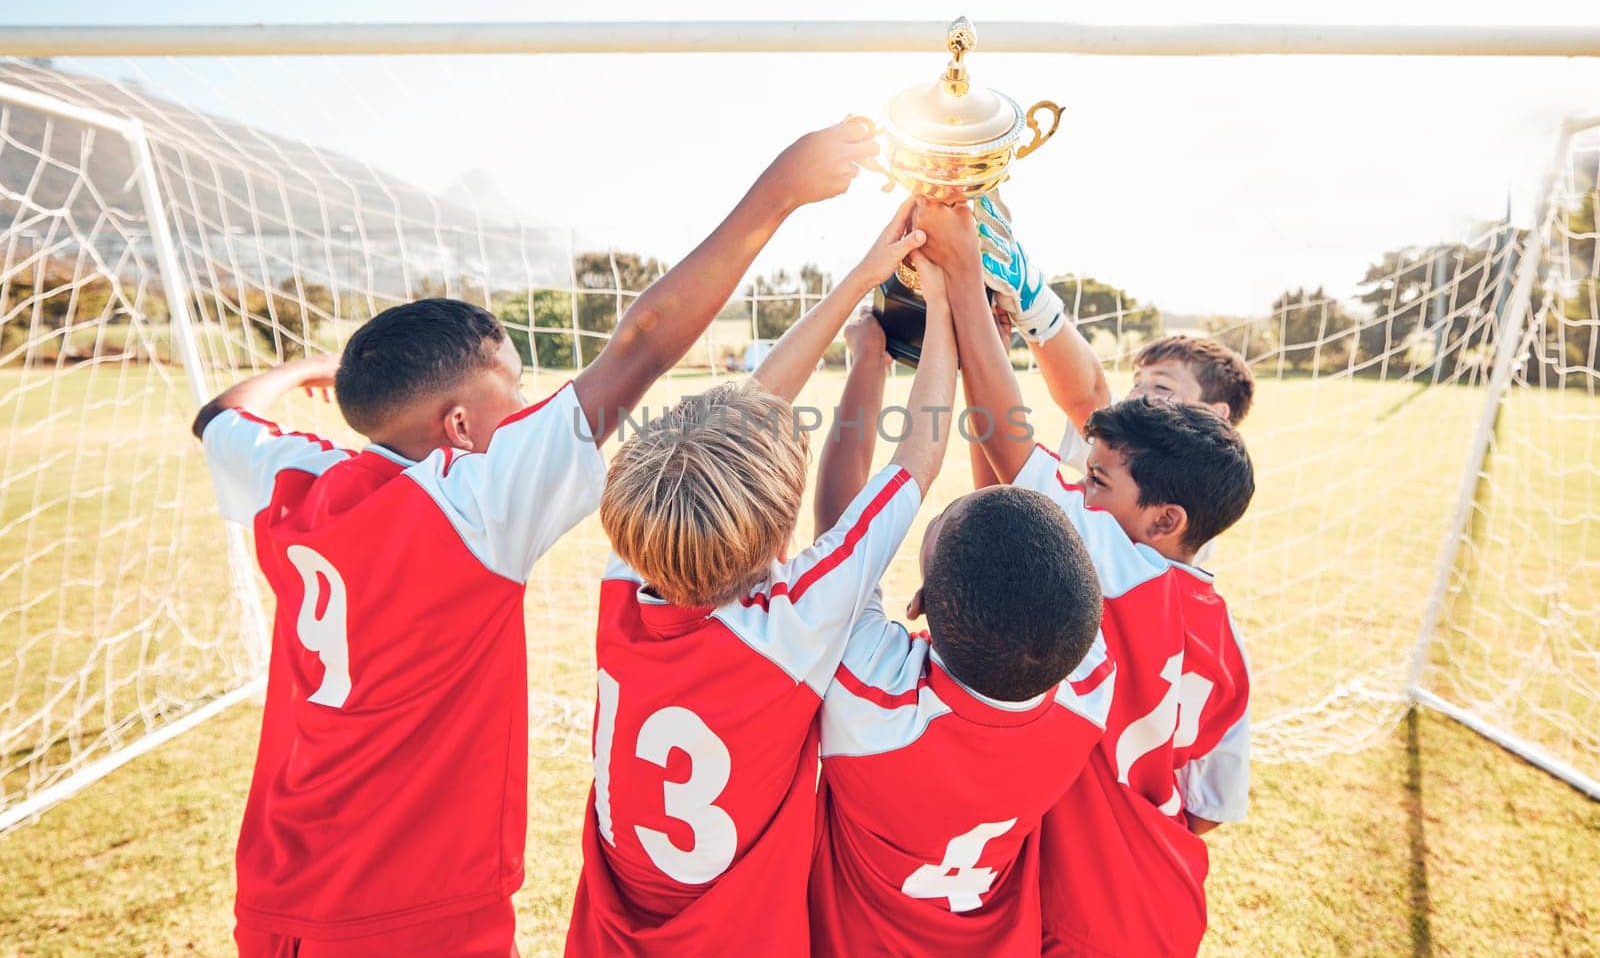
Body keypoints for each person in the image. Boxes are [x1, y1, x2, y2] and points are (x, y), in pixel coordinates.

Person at [195, 119, 880, 957]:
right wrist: (783, 188)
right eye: (512, 397)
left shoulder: (295, 479)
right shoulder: (470, 503)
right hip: (412, 914)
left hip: (277, 896)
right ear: (456, 425)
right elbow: (640, 346)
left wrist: (304, 376)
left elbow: (220, 415)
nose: (527, 413)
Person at [565, 203, 957, 956]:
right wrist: (944, 302)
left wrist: (861, 283)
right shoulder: (794, 621)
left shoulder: (631, 574)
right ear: (781, 531)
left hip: (616, 934)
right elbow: (916, 460)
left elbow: (756, 406)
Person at [918, 198, 1255, 958]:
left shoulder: (1117, 560)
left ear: (1164, 518)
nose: (1085, 494)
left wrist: (968, 283)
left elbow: (1014, 443)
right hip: (1161, 898)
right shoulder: (1225, 634)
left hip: (1078, 899)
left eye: (1096, 483)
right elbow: (1208, 806)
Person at [806, 304, 1112, 957]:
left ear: (916, 604)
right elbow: (1015, 508)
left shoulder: (874, 703)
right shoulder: (1088, 683)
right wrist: (983, 355)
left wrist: (869, 358)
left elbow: (841, 530)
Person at [964, 194, 1254, 565]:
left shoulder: (1166, 486)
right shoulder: (1126, 464)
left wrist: (1026, 297)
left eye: (1162, 387)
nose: (1138, 396)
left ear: (1216, 415)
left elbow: (1088, 397)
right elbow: (1002, 491)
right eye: (1138, 383)